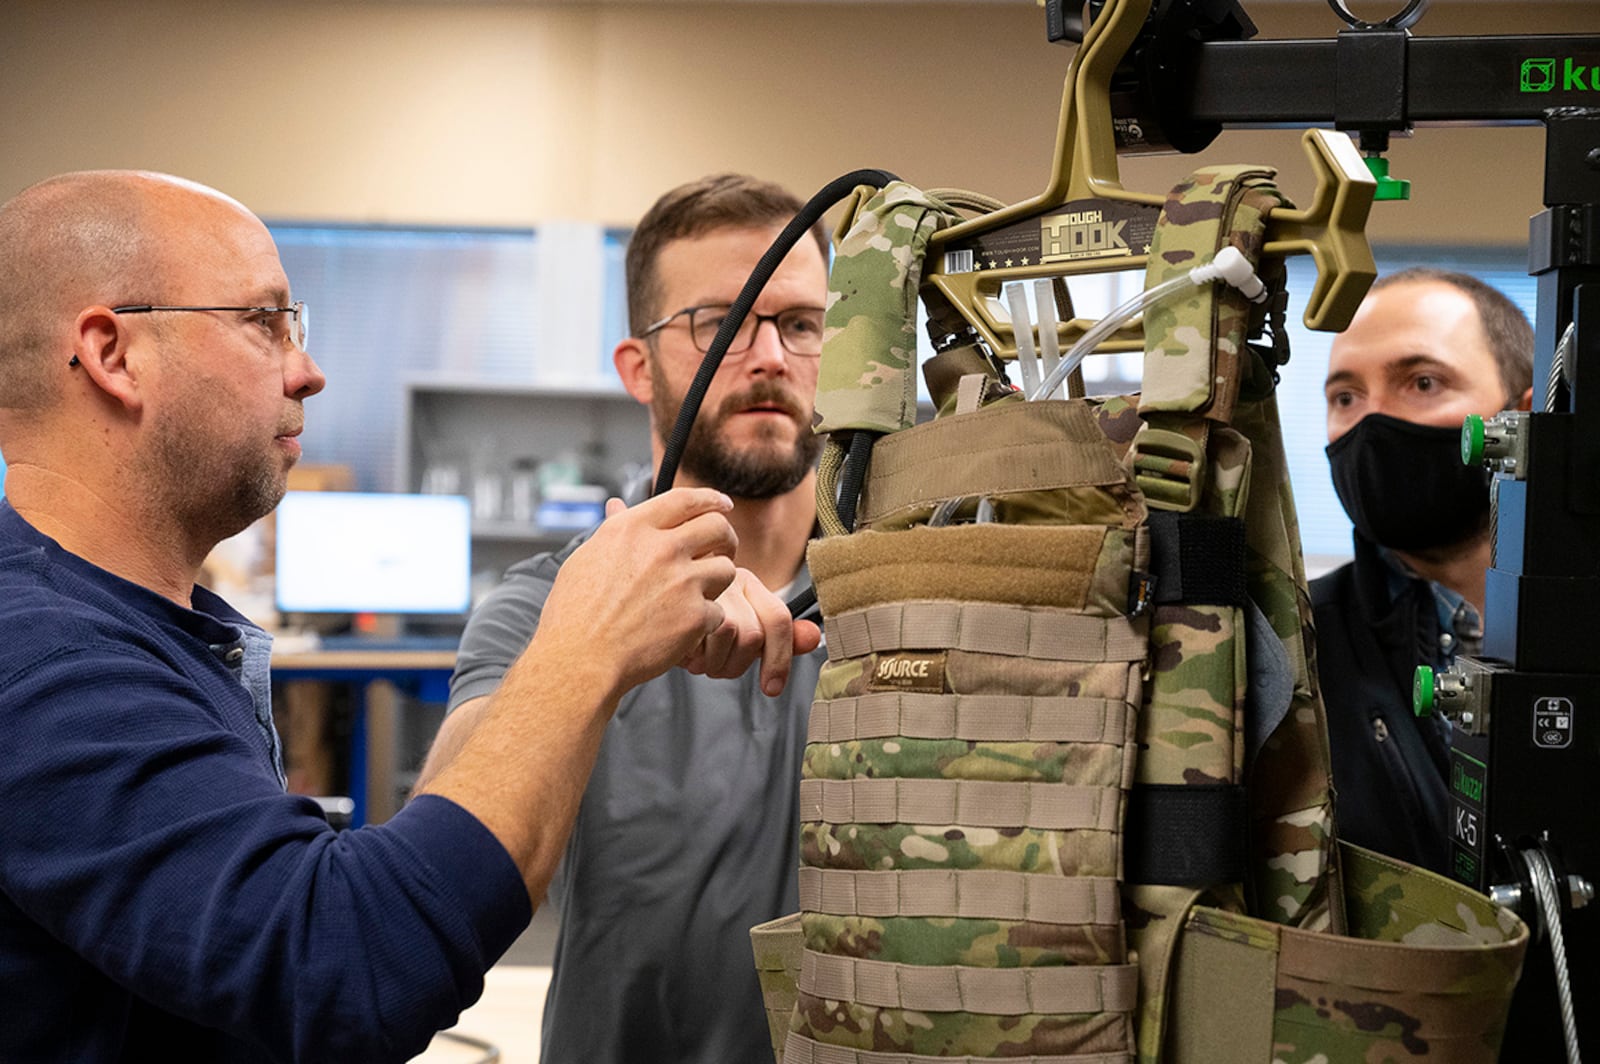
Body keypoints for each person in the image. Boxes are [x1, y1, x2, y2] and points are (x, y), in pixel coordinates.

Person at [0, 169, 813, 1063]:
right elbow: (346, 960)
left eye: (803, 325)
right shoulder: (44, 660)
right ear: (114, 355)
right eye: (265, 322)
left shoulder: (157, 632)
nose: (307, 371)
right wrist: (587, 639)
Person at [419, 173, 830, 1063]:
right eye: (719, 321)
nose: (767, 356)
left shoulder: (898, 601)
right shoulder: (543, 606)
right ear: (637, 368)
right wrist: (599, 642)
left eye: (799, 323)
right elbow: (440, 873)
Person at [1311, 267, 1533, 875]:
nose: (1372, 423)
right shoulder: (1291, 647)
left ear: (1523, 418)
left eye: (1423, 381)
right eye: (1346, 397)